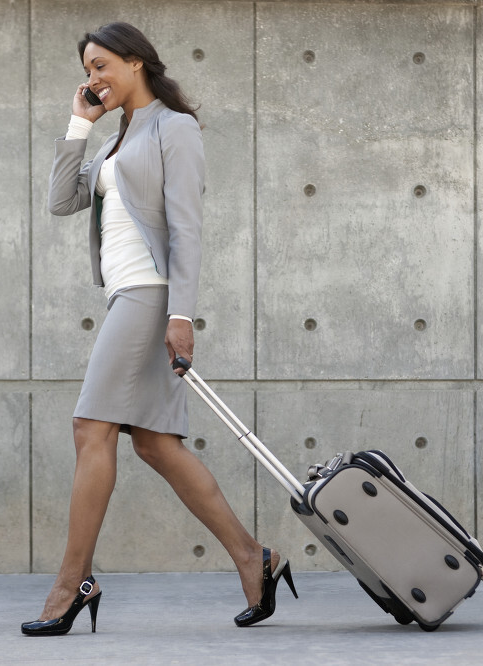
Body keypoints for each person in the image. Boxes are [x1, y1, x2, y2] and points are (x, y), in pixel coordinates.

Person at [21, 22, 297, 636]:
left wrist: (181, 314)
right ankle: (254, 557)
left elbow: (187, 226)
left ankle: (71, 584)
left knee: (90, 428)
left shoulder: (175, 128)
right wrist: (79, 124)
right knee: (154, 444)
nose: (94, 78)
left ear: (136, 62)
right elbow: (61, 201)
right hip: (126, 294)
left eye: (101, 66)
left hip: (150, 296)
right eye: (87, 71)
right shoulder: (114, 139)